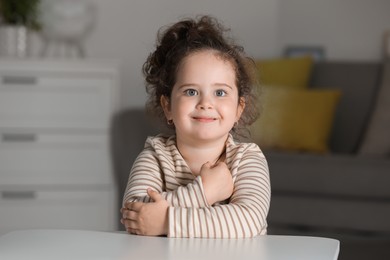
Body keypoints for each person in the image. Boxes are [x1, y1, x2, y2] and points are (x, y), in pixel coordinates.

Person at [121, 15, 270, 238]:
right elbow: (136, 213)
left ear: (238, 109)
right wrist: (203, 192)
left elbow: (247, 221)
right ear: (168, 105)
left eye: (220, 93)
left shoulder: (247, 159)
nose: (205, 103)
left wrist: (165, 222)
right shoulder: (155, 156)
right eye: (191, 91)